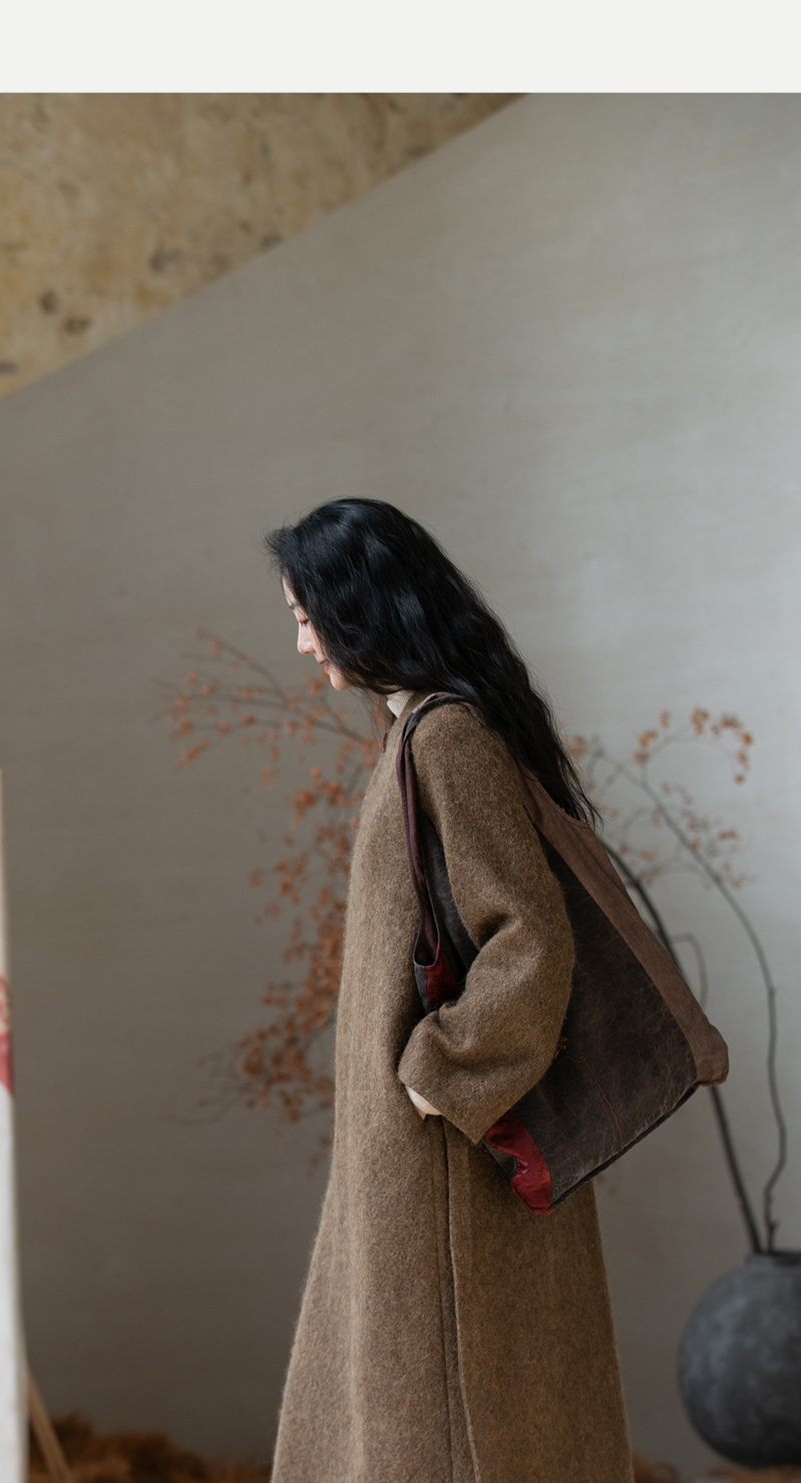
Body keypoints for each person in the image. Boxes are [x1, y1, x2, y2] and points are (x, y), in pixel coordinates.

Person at [267, 500, 633, 1483]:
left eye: (305, 615)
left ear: (357, 604)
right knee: (419, 1422)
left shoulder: (446, 739)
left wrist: (442, 1075)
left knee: (436, 1434)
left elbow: (530, 936)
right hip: (418, 1155)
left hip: (445, 1162)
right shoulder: (418, 734)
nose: (300, 642)